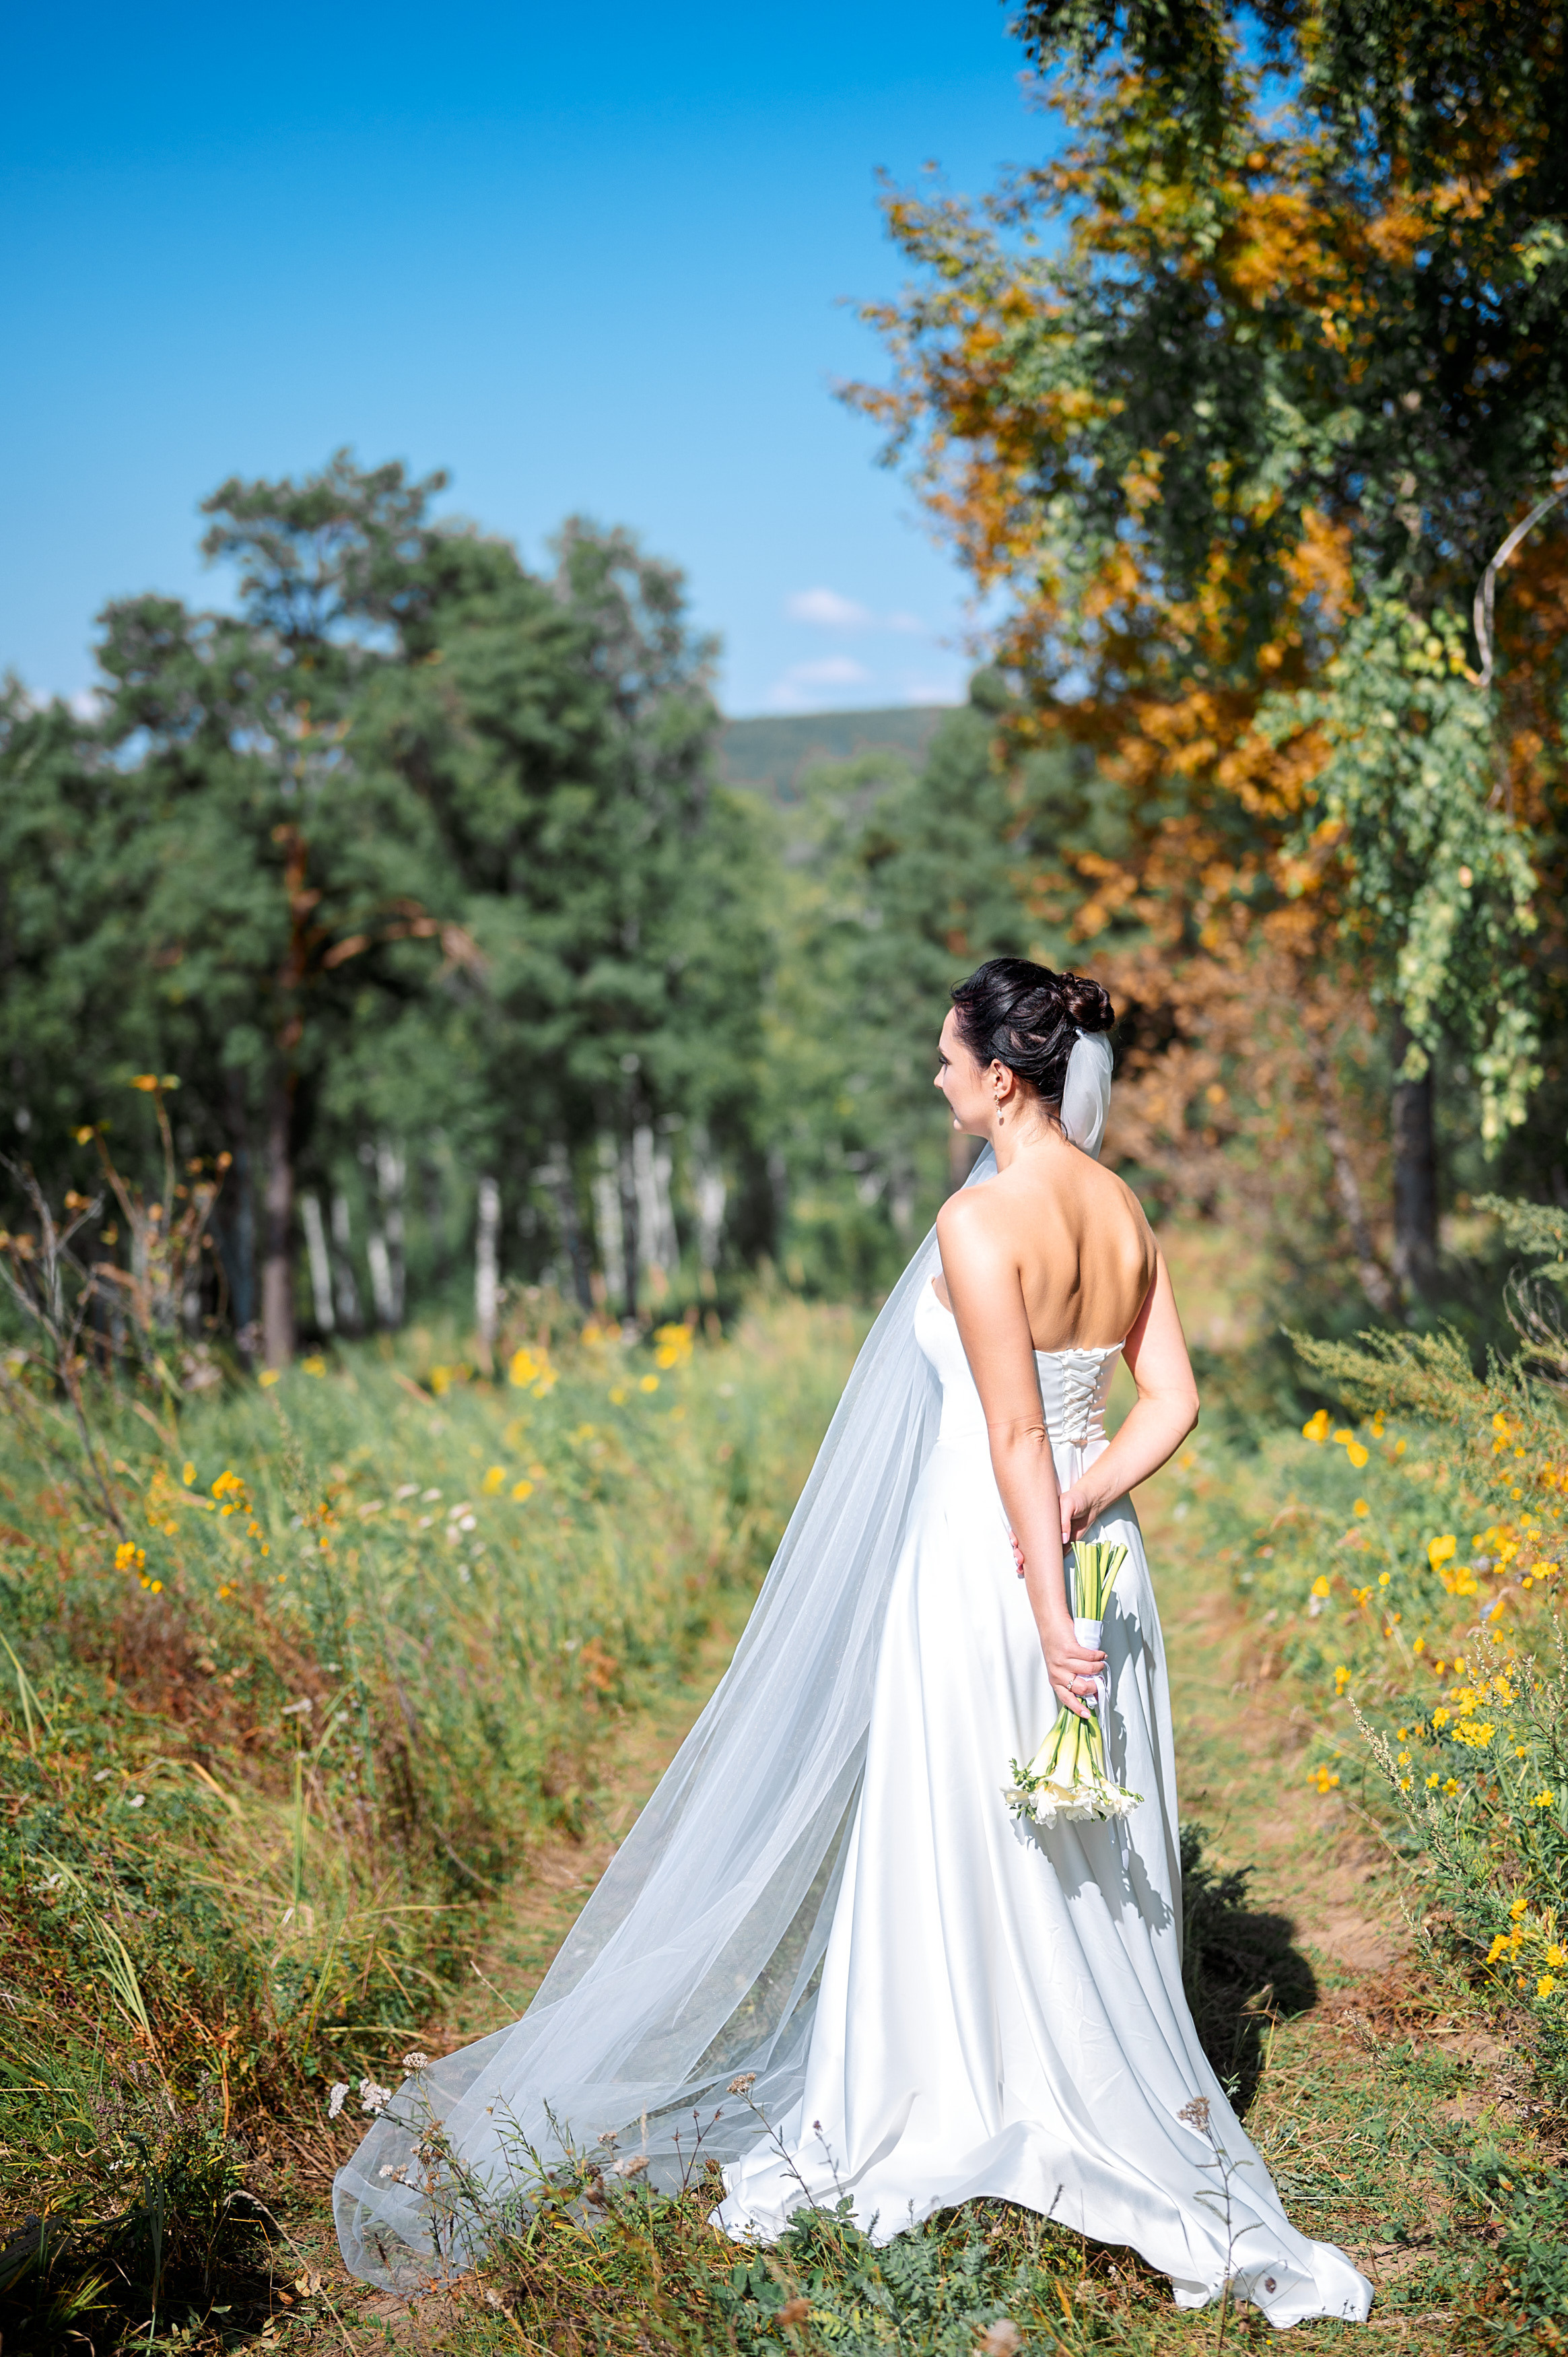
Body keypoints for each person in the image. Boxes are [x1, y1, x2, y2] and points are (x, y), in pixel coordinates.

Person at [335, 958, 1372, 2330]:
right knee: (1080, 1854)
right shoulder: (1120, 1208)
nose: (937, 1080)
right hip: (1098, 1560)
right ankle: (1062, 2068)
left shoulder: (981, 1222)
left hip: (993, 1576)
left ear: (1000, 1075)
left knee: (964, 1832)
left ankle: (968, 2089)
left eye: (947, 1062)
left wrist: (1048, 1607)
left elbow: (1005, 1434)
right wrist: (1092, 1496)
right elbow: (1167, 1398)